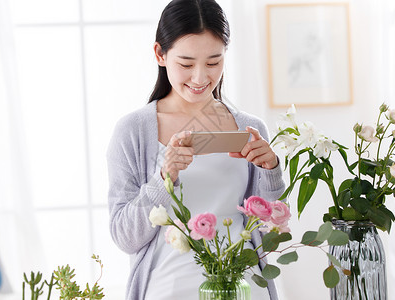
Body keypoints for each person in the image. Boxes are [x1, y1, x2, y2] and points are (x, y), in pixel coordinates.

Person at [107, 0, 285, 299]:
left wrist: (271, 173)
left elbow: (269, 234)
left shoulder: (250, 128)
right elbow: (125, 237)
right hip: (169, 290)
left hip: (243, 288)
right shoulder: (134, 132)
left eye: (213, 62)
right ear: (160, 55)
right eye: (186, 64)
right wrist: (164, 177)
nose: (201, 78)